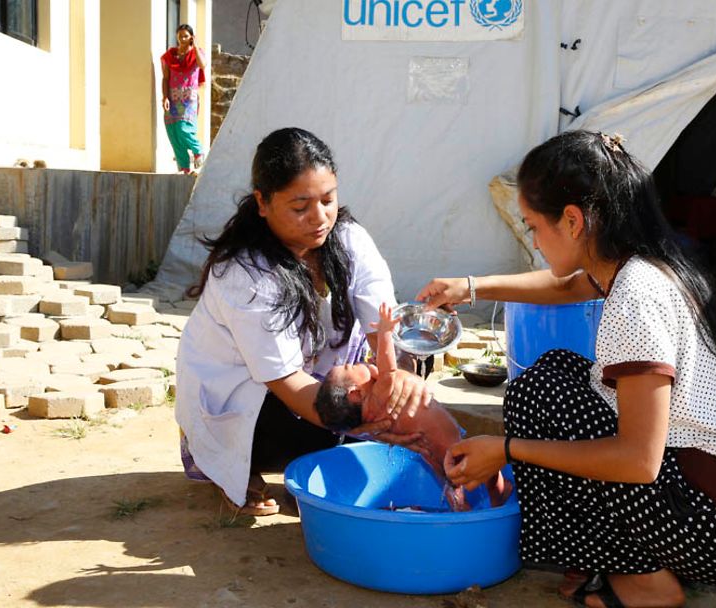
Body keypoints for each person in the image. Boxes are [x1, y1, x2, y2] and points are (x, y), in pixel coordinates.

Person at [418, 131, 716, 608]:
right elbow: (567, 285)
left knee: (541, 400)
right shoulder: (644, 260)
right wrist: (470, 287)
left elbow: (638, 461)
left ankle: (645, 583)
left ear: (572, 220)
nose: (532, 240)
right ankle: (614, 559)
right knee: (552, 374)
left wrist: (507, 449)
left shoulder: (635, 299)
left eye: (533, 227)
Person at [176, 128, 431, 517]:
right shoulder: (244, 273)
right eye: (300, 207)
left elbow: (387, 330)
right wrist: (372, 422)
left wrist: (398, 386)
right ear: (262, 202)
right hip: (259, 402)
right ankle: (237, 466)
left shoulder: (348, 239)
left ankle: (324, 467)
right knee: (328, 427)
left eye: (328, 200)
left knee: (414, 363)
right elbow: (289, 383)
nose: (320, 218)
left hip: (320, 386)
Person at [314, 302, 511, 511]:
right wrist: (385, 333)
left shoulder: (370, 411)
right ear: (355, 394)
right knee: (469, 467)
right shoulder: (379, 393)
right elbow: (388, 368)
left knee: (446, 476)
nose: (357, 363)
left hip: (426, 446)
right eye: (351, 367)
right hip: (444, 436)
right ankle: (491, 494)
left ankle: (459, 504)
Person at [161, 24, 206, 174]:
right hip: (173, 98)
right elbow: (166, 78)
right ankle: (184, 167)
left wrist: (196, 46)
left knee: (183, 127)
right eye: (180, 36)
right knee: (173, 131)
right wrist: (165, 97)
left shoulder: (196, 54)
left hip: (188, 99)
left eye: (186, 36)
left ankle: (198, 151)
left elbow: (203, 65)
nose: (182, 39)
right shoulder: (170, 56)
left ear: (191, 37)